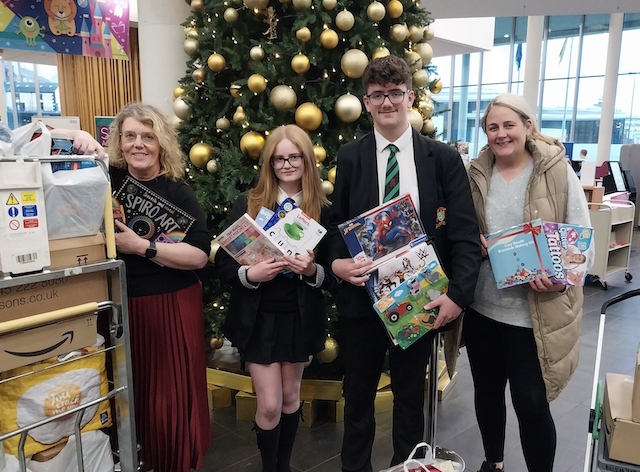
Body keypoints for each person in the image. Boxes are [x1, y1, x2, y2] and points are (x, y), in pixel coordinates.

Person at [324, 55, 482, 472]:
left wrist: (458, 297)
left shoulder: (442, 159)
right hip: (363, 303)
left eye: (395, 93)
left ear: (410, 97)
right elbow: (337, 224)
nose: (387, 102)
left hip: (421, 302)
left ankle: (405, 468)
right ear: (367, 102)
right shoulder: (350, 157)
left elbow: (464, 234)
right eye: (378, 95)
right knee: (357, 400)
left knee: (410, 402)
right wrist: (337, 265)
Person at [466, 93, 593, 472]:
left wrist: (562, 281)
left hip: (533, 313)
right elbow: (461, 225)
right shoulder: (475, 172)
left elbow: (580, 236)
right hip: (482, 307)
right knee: (487, 394)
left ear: (527, 126)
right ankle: (494, 463)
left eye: (509, 125)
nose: (501, 134)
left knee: (531, 402)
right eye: (493, 127)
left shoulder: (555, 170)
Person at [215, 124, 333, 472]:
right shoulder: (248, 203)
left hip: (298, 316)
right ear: (269, 162)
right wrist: (251, 274)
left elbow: (333, 275)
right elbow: (222, 264)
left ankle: (282, 466)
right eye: (279, 158)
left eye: (294, 156)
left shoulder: (322, 207)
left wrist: (311, 270)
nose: (286, 164)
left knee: (290, 398)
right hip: (258, 317)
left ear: (307, 160)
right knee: (268, 404)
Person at [106, 103, 211, 472]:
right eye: (130, 135)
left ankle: (173, 461)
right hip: (122, 305)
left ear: (161, 142)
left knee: (167, 398)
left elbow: (199, 255)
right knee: (130, 393)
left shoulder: (178, 191)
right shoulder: (108, 178)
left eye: (148, 136)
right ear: (119, 140)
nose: (139, 144)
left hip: (170, 304)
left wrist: (143, 247)